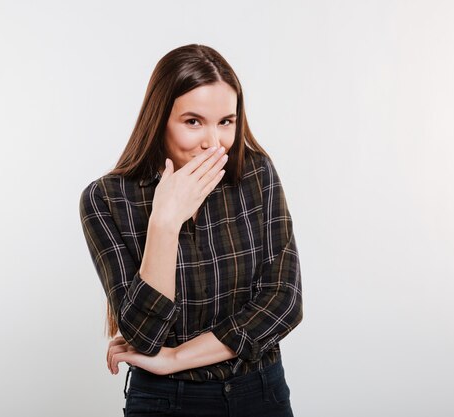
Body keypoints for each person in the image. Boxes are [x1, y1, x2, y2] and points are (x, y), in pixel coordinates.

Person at [79, 43, 303, 417]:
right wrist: (165, 222)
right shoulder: (106, 200)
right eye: (193, 122)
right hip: (165, 401)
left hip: (260, 393)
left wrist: (176, 357)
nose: (213, 143)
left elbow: (283, 303)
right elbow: (144, 337)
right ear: (159, 119)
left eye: (226, 122)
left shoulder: (256, 175)